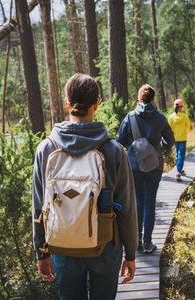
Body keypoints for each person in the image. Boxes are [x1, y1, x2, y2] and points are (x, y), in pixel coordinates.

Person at [32, 73, 138, 300]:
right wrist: (130, 253)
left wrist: (41, 251)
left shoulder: (46, 149)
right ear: (97, 104)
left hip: (62, 245)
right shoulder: (114, 150)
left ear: (67, 103)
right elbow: (127, 208)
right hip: (106, 245)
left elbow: (39, 206)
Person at [116, 84, 175, 254]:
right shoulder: (160, 118)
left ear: (139, 98)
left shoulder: (130, 117)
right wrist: (157, 146)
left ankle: (136, 241)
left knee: (137, 202)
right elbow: (170, 141)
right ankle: (148, 243)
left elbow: (120, 140)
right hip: (154, 165)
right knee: (149, 202)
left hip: (134, 165)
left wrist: (134, 144)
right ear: (153, 99)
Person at [168, 99, 190, 182]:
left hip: (175, 138)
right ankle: (178, 171)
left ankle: (180, 170)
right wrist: (184, 133)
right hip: (183, 138)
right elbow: (188, 127)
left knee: (177, 154)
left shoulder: (171, 117)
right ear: (181, 107)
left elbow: (170, 129)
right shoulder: (184, 117)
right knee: (181, 154)